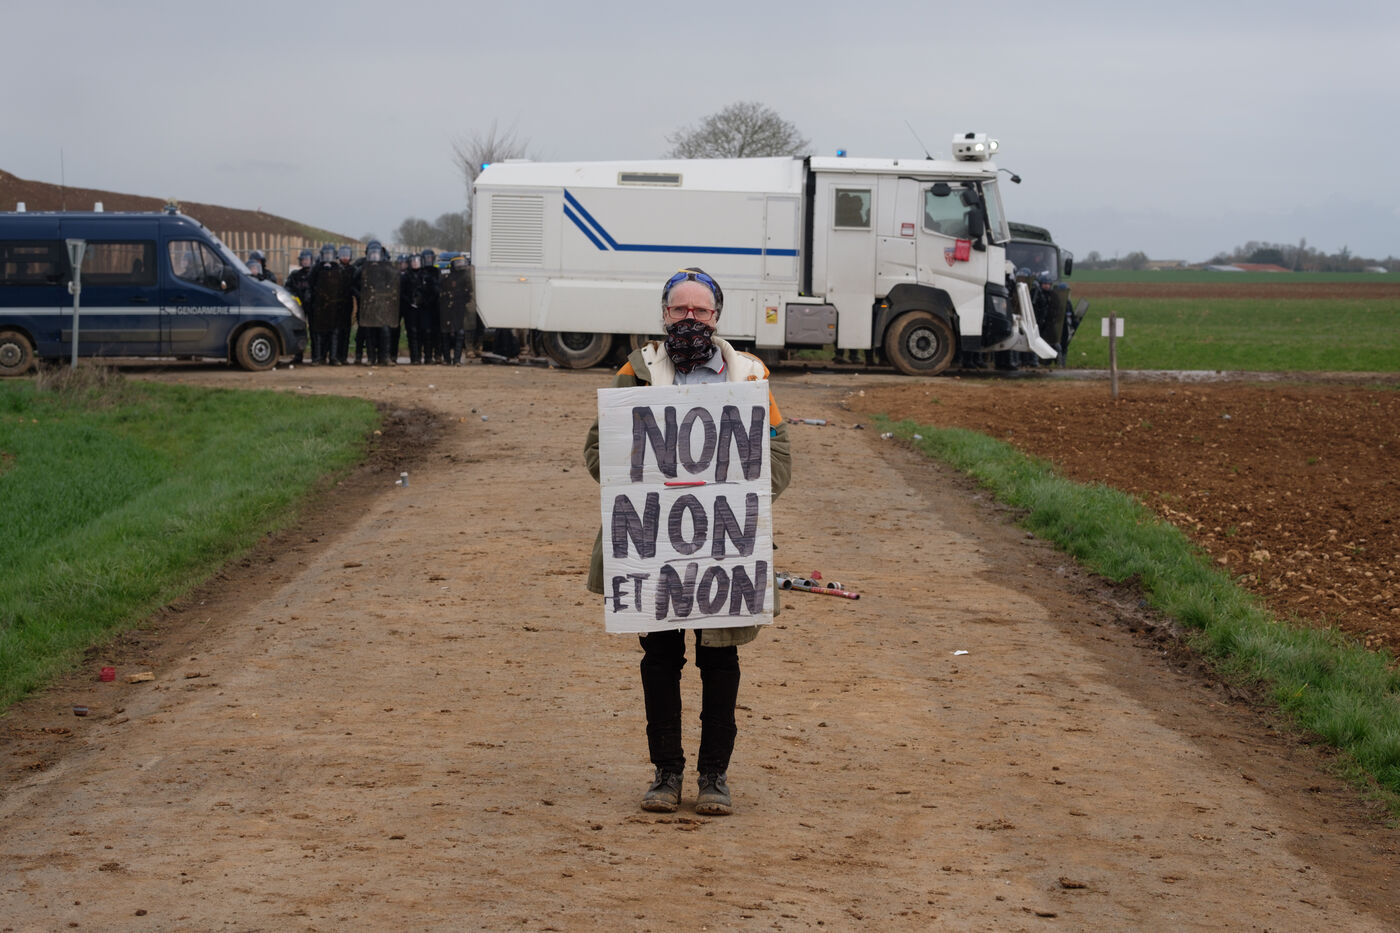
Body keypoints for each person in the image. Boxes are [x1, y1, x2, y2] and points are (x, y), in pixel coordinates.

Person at [583, 267, 792, 816]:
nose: (690, 319)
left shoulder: (751, 375)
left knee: (720, 659)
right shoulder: (634, 372)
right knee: (660, 658)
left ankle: (714, 777)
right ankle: (667, 774)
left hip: (723, 543)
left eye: (701, 310)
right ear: (664, 314)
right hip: (654, 543)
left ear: (717, 317)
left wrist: (730, 497)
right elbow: (598, 451)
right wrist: (652, 486)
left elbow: (780, 459)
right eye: (680, 309)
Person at [353, 240, 400, 366]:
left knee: (385, 330)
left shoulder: (387, 268)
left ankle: (385, 357)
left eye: (376, 254)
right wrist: (361, 296)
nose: (374, 256)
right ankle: (371, 358)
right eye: (372, 254)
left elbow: (395, 281)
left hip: (383, 305)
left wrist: (389, 296)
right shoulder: (362, 268)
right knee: (369, 332)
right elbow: (353, 284)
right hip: (368, 306)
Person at [438, 254, 474, 365]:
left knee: (460, 333)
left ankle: (457, 359)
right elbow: (440, 289)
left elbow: (469, 292)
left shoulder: (465, 276)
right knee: (445, 333)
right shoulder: (446, 275)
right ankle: (447, 358)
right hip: (446, 308)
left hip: (459, 308)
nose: (460, 265)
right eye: (457, 263)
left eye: (461, 262)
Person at [285, 249, 315, 364]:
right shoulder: (295, 275)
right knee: (300, 331)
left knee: (314, 332)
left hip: (312, 306)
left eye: (307, 259)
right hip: (299, 307)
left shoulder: (315, 273)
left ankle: (316, 357)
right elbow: (288, 288)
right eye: (303, 260)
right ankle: (298, 356)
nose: (305, 262)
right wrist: (295, 297)